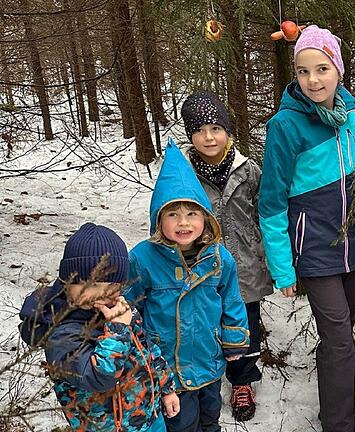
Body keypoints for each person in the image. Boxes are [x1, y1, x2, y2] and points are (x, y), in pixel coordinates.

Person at [258, 25, 355, 432]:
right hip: (314, 252)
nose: (313, 80)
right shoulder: (286, 127)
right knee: (341, 339)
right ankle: (340, 424)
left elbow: (354, 174)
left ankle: (334, 410)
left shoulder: (350, 117)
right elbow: (271, 203)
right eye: (304, 71)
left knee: (340, 337)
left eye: (322, 69)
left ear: (338, 70)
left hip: (351, 246)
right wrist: (283, 267)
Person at [126, 140, 250, 432]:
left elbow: (231, 299)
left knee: (210, 420)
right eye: (173, 214)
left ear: (205, 218)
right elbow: (128, 309)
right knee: (181, 426)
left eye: (191, 213)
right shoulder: (143, 258)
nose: (183, 223)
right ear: (159, 218)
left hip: (208, 362)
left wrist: (234, 337)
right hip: (168, 371)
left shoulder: (219, 258)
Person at [19, 223, 179, 431]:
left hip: (147, 418)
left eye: (111, 287)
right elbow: (98, 378)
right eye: (91, 285)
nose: (100, 295)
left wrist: (166, 389)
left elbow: (147, 349)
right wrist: (118, 330)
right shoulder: (61, 332)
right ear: (67, 281)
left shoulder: (118, 308)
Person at [180, 91, 272, 422]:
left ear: (228, 132)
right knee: (204, 321)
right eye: (200, 130)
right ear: (191, 134)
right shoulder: (184, 174)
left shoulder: (248, 170)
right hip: (201, 266)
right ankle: (205, 376)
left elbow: (265, 212)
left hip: (245, 263)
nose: (209, 137)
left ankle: (243, 380)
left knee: (244, 324)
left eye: (216, 128)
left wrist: (269, 256)